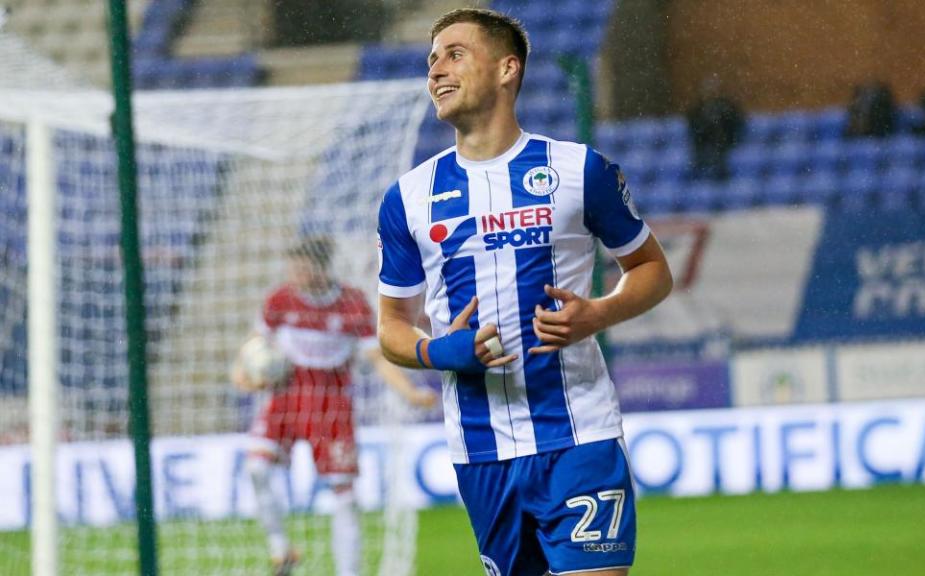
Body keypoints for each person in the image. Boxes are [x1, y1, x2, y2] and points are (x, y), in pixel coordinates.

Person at [376, 9, 672, 576]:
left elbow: (652, 269)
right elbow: (391, 326)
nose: (437, 69)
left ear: (508, 68)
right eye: (431, 59)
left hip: (579, 432)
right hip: (480, 451)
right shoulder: (408, 198)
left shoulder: (577, 170)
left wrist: (598, 314)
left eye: (455, 53)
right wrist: (436, 351)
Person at [231, 236, 436, 576]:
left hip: (331, 405)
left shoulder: (352, 305)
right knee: (256, 468)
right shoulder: (280, 300)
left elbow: (377, 358)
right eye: (292, 265)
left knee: (344, 496)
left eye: (302, 265)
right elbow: (256, 343)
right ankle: (280, 549)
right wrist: (241, 372)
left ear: (320, 266)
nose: (294, 272)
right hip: (285, 397)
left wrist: (410, 392)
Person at [686, 74, 744, 179]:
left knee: (719, 142)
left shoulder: (727, 107)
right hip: (704, 140)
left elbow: (735, 123)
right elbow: (692, 124)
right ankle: (699, 171)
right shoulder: (698, 109)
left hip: (724, 140)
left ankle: (720, 170)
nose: (710, 93)